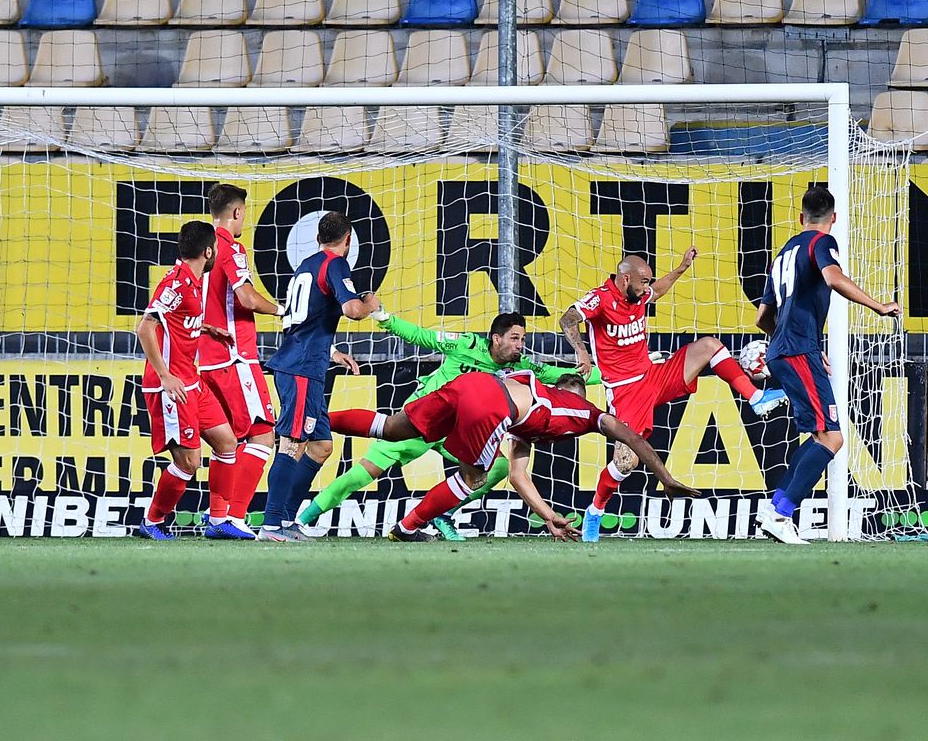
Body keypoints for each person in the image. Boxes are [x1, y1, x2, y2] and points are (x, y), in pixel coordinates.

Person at [304, 310, 601, 541]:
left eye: (522, 340)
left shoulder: (521, 367)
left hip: (457, 432)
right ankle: (301, 519)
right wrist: (384, 317)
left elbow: (563, 375)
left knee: (498, 467)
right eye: (514, 338)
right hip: (424, 420)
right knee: (361, 474)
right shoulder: (465, 344)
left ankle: (443, 515)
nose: (520, 346)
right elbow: (422, 336)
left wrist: (618, 374)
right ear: (496, 339)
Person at [559, 247, 788, 543]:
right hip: (626, 390)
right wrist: (582, 352)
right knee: (626, 462)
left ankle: (755, 397)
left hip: (654, 376)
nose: (647, 288)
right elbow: (567, 319)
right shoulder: (600, 298)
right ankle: (595, 510)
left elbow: (658, 290)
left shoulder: (639, 294)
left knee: (709, 346)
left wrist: (681, 268)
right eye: (643, 282)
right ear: (625, 278)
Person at [329, 370, 699, 542]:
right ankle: (407, 528)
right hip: (494, 405)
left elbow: (519, 477)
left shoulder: (536, 406)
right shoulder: (587, 413)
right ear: (579, 395)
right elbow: (631, 436)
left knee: (392, 427)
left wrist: (550, 517)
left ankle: (315, 422)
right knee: (472, 478)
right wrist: (664, 476)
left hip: (473, 383)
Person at [754, 186, 901, 544]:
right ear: (833, 218)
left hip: (784, 351)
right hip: (797, 350)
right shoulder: (821, 242)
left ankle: (775, 509)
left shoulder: (782, 255)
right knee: (833, 438)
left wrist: (795, 341)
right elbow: (833, 278)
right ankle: (781, 514)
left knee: (820, 436)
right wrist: (880, 306)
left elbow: (762, 318)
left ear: (800, 217)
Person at [257, 211, 377, 542]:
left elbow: (300, 319)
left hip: (305, 364)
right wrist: (369, 303)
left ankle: (287, 520)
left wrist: (332, 352)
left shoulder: (306, 266)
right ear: (348, 240)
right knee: (292, 444)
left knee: (321, 445)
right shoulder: (335, 264)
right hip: (301, 369)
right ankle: (271, 524)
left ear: (317, 238)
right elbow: (352, 310)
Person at [135, 221, 240, 540]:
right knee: (189, 462)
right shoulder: (177, 283)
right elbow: (145, 326)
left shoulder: (193, 283)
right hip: (171, 387)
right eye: (216, 248)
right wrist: (165, 375)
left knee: (227, 443)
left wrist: (207, 328)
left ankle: (218, 521)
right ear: (208, 251)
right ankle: (152, 522)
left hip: (191, 381)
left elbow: (178, 319)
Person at [197, 184, 283, 540]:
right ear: (236, 212)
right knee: (262, 436)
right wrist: (282, 311)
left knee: (228, 442)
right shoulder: (229, 247)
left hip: (205, 360)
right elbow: (245, 297)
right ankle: (232, 516)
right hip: (235, 358)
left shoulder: (199, 249)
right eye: (244, 213)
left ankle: (218, 515)